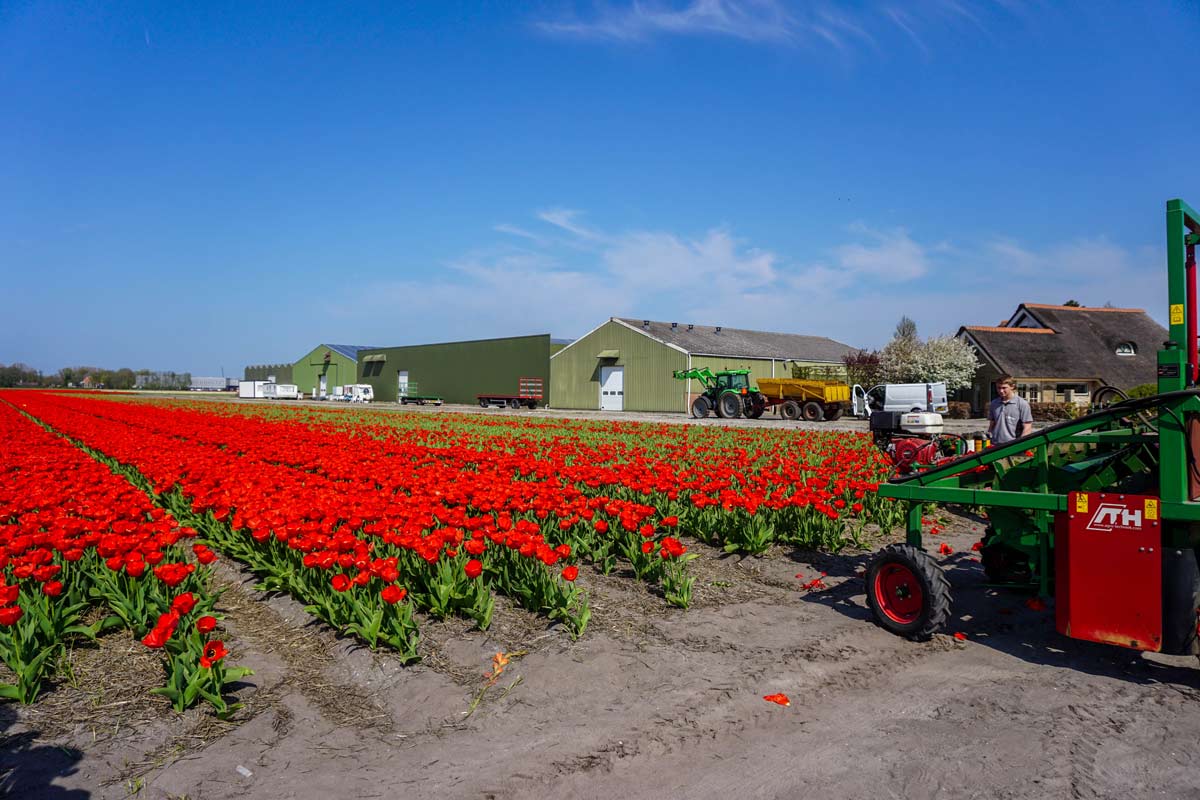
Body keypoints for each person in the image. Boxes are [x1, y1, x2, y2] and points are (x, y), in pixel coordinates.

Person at [988, 376, 1033, 445]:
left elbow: (1027, 427)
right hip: (995, 445)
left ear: (1012, 386)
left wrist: (1021, 445)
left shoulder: (1022, 404)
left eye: (1004, 388)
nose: (1001, 391)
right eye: (998, 388)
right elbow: (992, 425)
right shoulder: (994, 403)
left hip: (1013, 446)